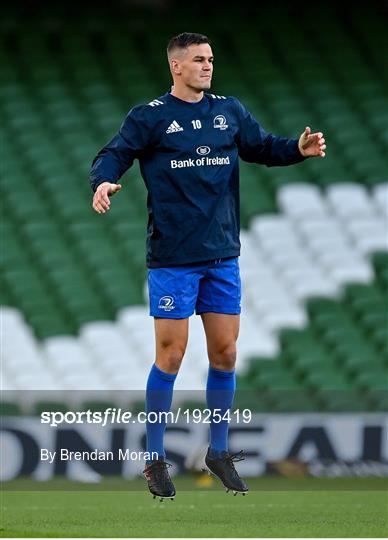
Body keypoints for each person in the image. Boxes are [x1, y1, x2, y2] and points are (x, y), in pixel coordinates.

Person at [90, 32, 326, 500]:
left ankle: (218, 452)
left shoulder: (230, 111)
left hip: (222, 255)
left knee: (226, 354)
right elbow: (113, 154)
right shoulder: (150, 117)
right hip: (174, 258)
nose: (207, 66)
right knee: (171, 356)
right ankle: (154, 460)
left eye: (211, 59)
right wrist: (104, 181)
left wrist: (296, 150)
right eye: (198, 60)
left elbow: (262, 147)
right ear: (176, 66)